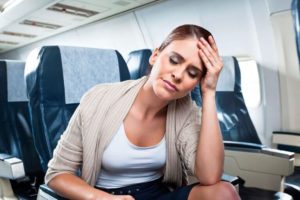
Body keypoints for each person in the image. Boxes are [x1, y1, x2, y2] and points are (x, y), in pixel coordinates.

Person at [45, 24, 240, 200]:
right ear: (155, 55)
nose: (178, 75)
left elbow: (210, 176)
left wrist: (209, 93)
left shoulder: (187, 112)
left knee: (224, 192)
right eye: (174, 60)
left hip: (157, 193)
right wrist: (100, 198)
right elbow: (57, 174)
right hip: (104, 195)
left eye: (192, 73)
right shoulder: (99, 98)